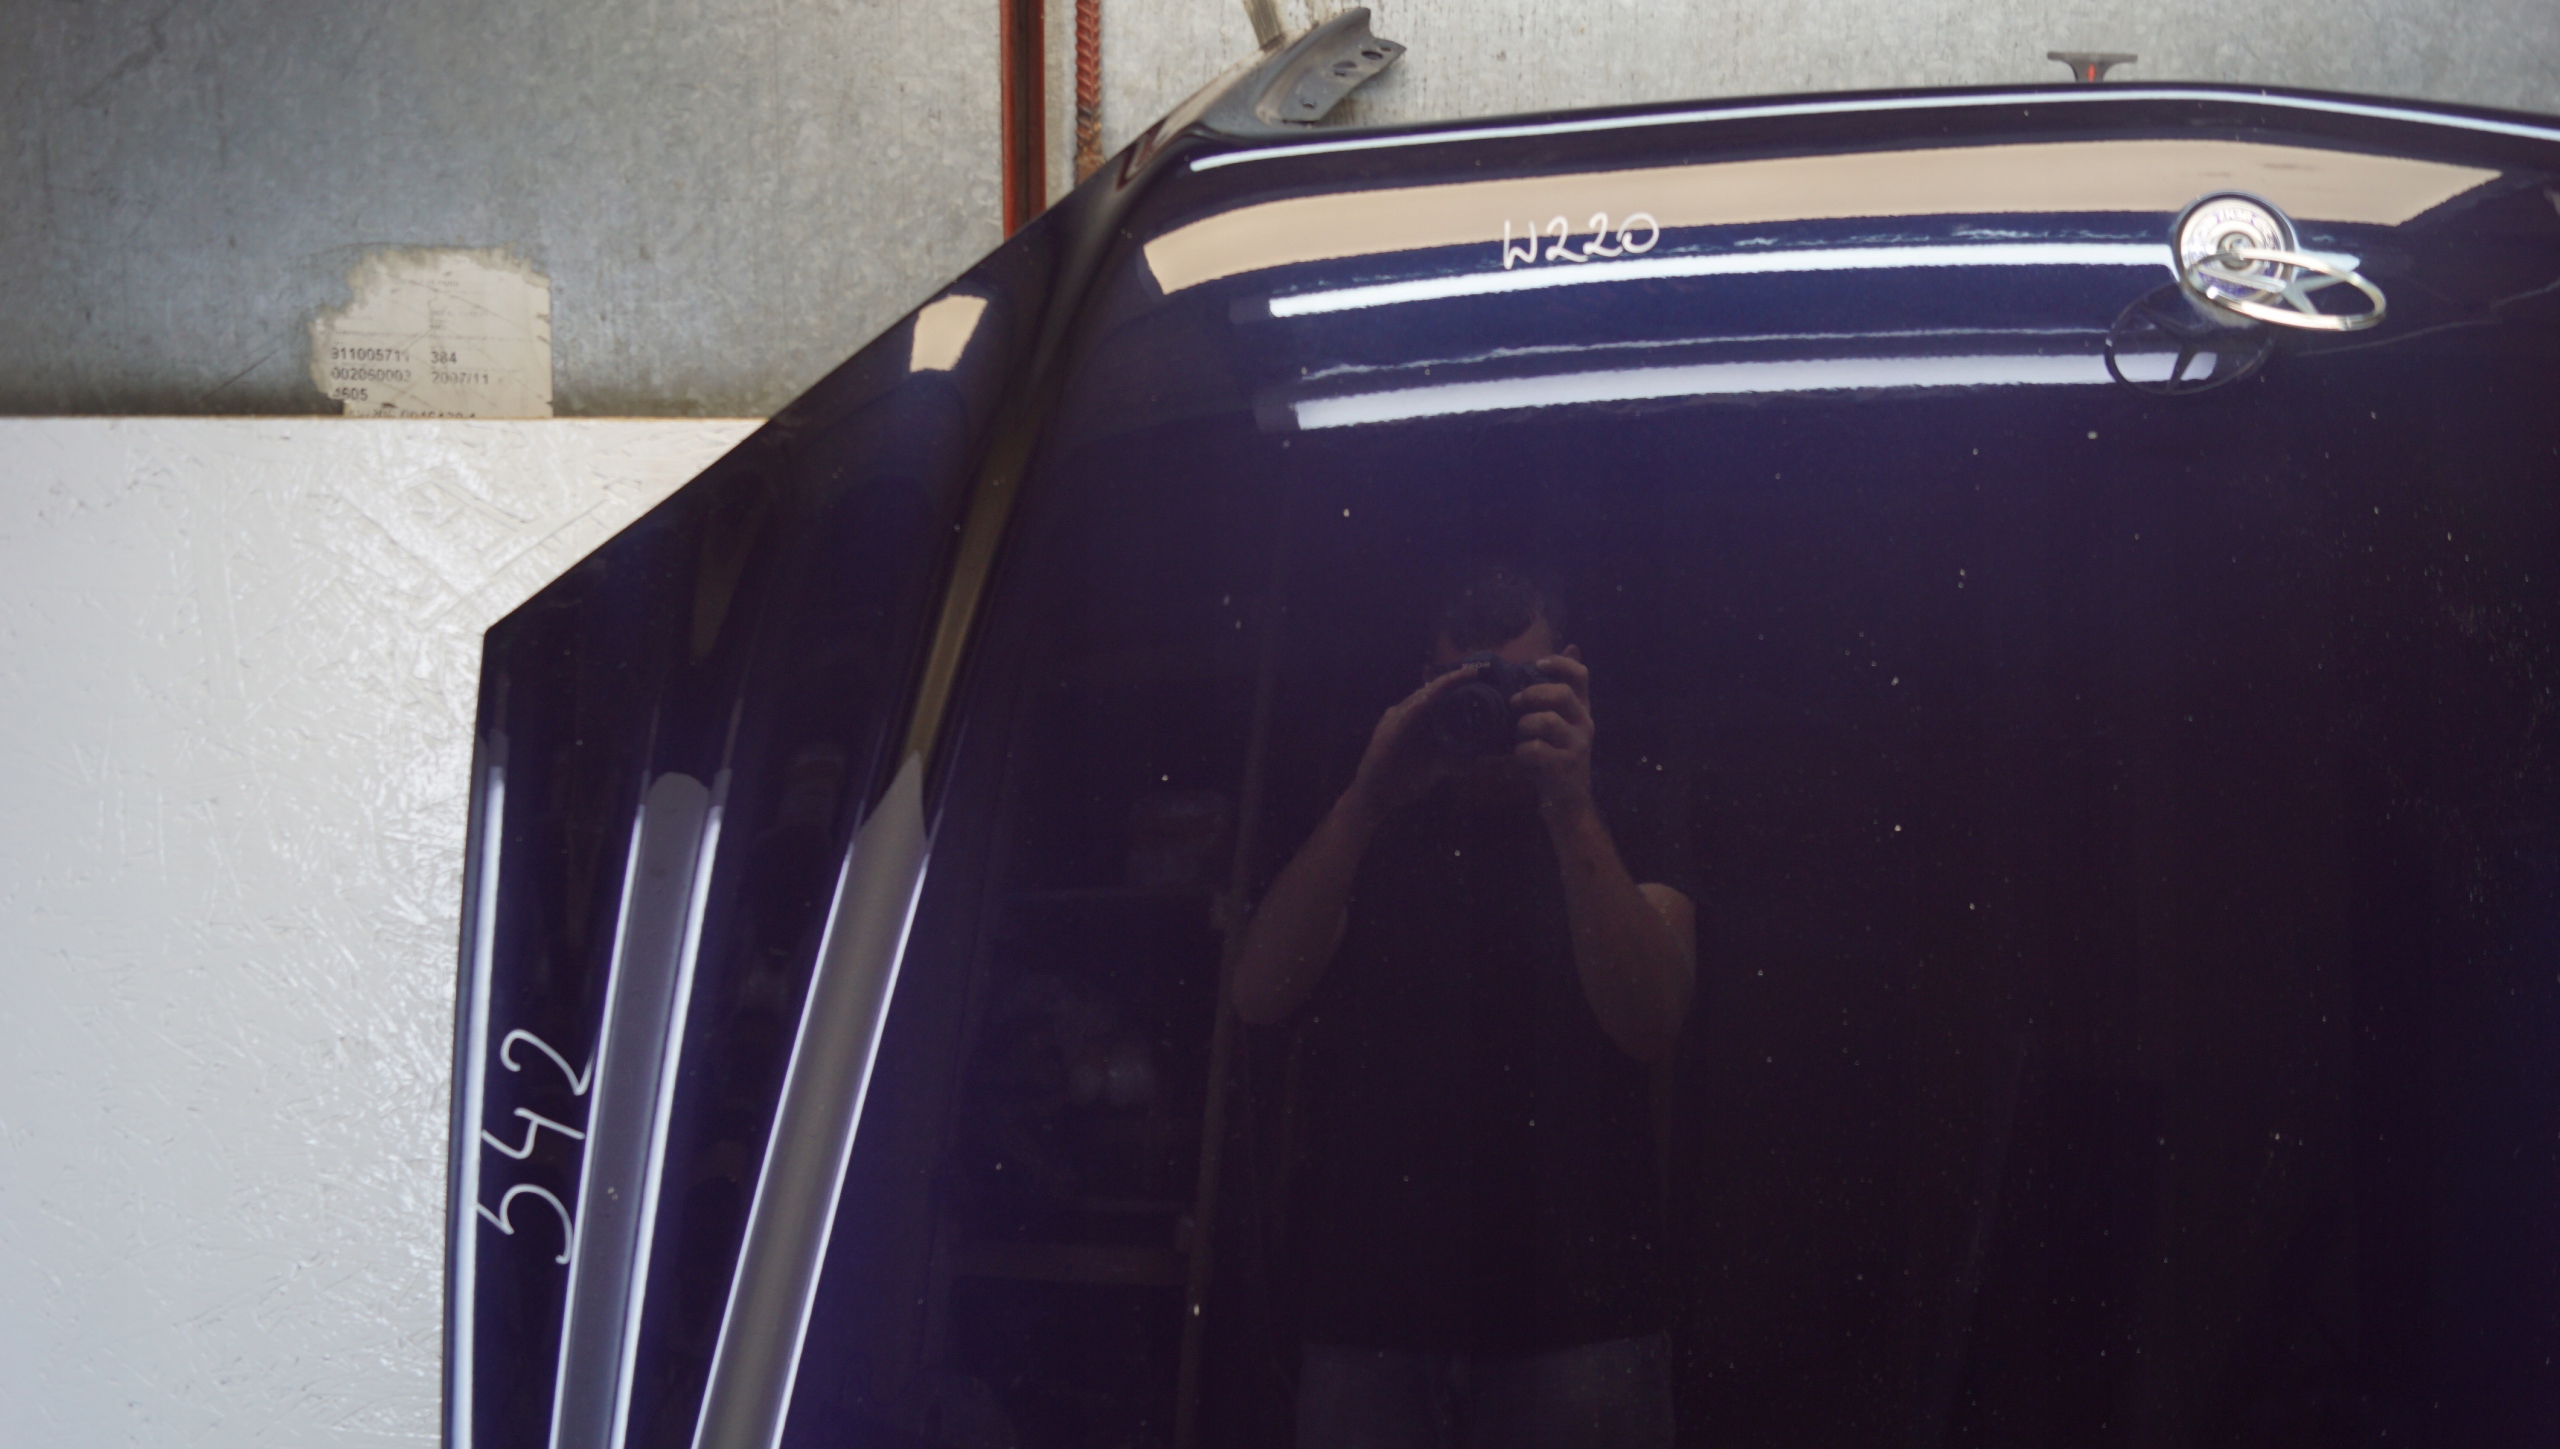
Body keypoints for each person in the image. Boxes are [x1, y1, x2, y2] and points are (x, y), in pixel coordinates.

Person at [1232, 565, 1697, 1449]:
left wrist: (1570, 806)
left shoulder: (1622, 808)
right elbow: (1258, 994)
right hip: (1371, 1319)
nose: (1493, 713)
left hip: (1580, 1318)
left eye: (1517, 686)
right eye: (1466, 685)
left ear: (1570, 675)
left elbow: (1652, 1021)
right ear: (1425, 685)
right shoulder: (1377, 819)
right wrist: (1367, 799)